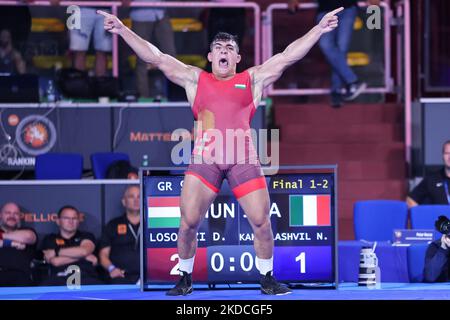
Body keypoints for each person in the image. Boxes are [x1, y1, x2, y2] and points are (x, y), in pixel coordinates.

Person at [98, 6, 342, 296]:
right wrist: (123, 29)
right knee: (188, 223)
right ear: (211, 57)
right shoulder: (194, 79)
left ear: (237, 58)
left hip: (243, 160)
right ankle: (185, 278)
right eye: (218, 47)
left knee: (262, 222)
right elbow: (156, 57)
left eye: (230, 47)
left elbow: (288, 55)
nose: (224, 51)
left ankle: (267, 278)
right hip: (205, 161)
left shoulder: (252, 79)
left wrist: (319, 29)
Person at [288, 0, 380, 108]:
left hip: (348, 7)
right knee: (325, 45)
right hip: (325, 10)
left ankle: (336, 91)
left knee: (341, 49)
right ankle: (351, 81)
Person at [41, 205, 102, 286]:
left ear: (78, 221)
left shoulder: (87, 236)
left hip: (86, 278)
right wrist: (83, 257)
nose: (71, 221)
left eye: (74, 218)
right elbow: (55, 261)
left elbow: (84, 251)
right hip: (59, 279)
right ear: (58, 221)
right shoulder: (50, 239)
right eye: (66, 218)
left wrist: (56, 251)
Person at [129, 0, 176, 99]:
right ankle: (143, 97)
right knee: (141, 59)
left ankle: (172, 95)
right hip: (140, 15)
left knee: (171, 57)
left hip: (161, 12)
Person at [99, 185, 140, 284]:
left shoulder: (151, 224)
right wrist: (112, 269)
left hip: (148, 278)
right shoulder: (113, 225)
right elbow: (103, 254)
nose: (136, 200)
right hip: (120, 276)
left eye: (139, 196)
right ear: (124, 201)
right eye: (131, 196)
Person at [0, 202, 37, 286]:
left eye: (15, 213)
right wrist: (12, 243)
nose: (12, 216)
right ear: (0, 215)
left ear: (20, 216)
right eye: (8, 213)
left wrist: (1, 236)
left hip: (21, 278)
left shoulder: (27, 230)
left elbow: (28, 237)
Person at [407, 140, 450, 208]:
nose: (449, 157)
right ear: (442, 156)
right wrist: (421, 215)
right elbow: (410, 200)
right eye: (447, 153)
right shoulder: (432, 179)